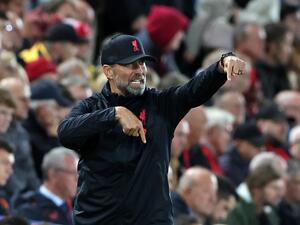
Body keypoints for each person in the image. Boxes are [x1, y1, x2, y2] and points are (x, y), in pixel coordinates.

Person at [57, 33, 246, 225]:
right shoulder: (92, 107)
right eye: (131, 65)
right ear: (108, 71)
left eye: (142, 64)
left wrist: (221, 67)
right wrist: (114, 114)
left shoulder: (161, 104)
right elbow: (65, 133)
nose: (140, 71)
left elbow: (193, 91)